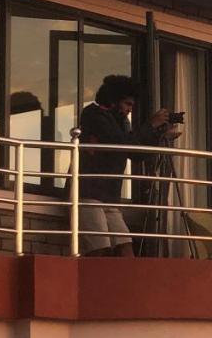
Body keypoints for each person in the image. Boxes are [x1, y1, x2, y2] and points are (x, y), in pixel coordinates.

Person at [76, 74, 180, 257]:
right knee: (100, 249)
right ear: (113, 100)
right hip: (88, 193)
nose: (129, 110)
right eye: (127, 104)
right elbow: (119, 143)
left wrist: (158, 136)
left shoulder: (121, 123)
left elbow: (135, 154)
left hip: (109, 196)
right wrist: (150, 125)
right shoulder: (93, 114)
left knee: (125, 247)